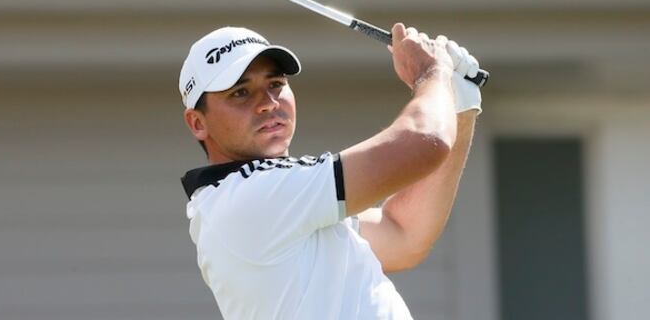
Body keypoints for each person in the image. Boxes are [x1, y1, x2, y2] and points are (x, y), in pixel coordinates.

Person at [178, 23, 482, 319]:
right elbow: (423, 140)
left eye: (276, 84)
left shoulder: (279, 199)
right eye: (241, 92)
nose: (268, 103)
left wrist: (459, 107)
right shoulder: (249, 197)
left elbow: (403, 234)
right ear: (197, 123)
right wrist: (432, 73)